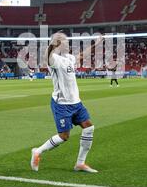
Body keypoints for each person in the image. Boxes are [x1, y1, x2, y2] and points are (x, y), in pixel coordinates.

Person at [30, 32, 103, 173]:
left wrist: (96, 44)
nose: (68, 43)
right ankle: (37, 152)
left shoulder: (69, 57)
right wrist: (53, 44)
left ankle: (80, 164)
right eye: (65, 41)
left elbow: (82, 55)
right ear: (58, 44)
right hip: (61, 103)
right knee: (64, 136)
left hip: (76, 102)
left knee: (89, 127)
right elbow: (47, 57)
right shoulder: (54, 59)